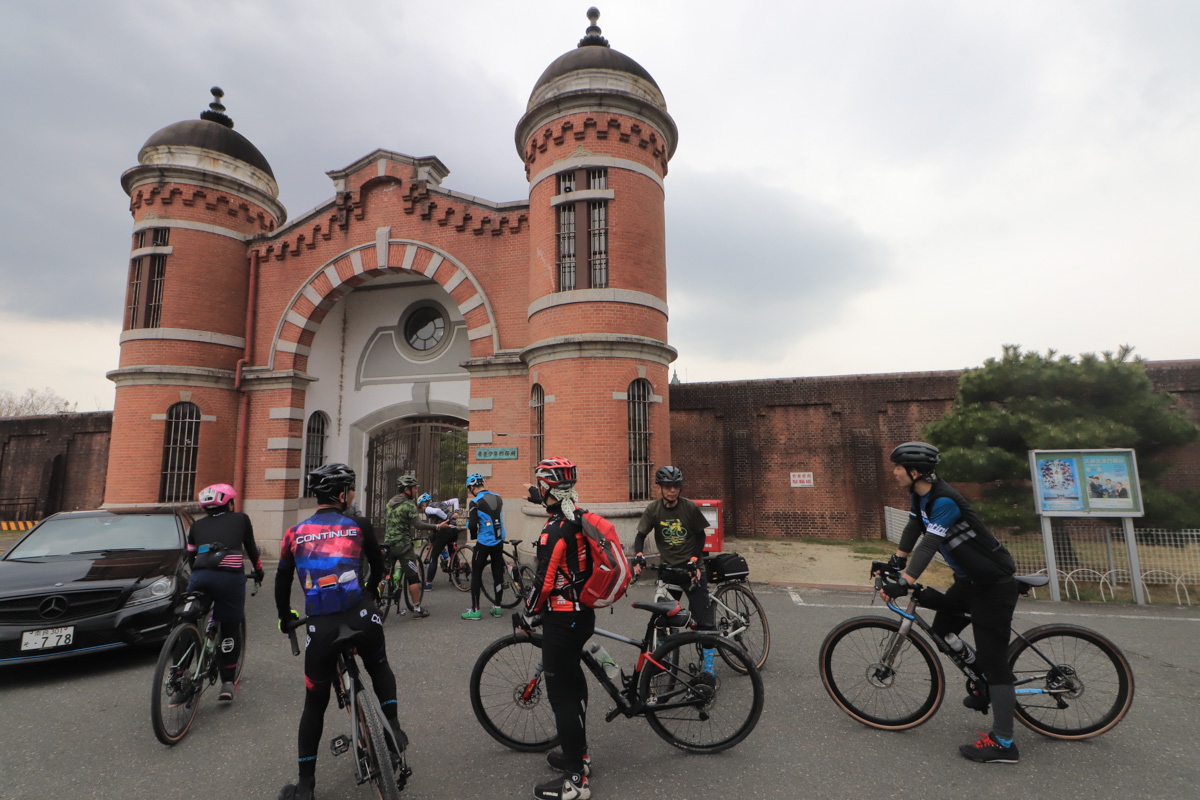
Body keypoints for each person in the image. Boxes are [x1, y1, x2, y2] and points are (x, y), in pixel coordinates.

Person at [882, 441, 1021, 764]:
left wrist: (907, 581)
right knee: (943, 629)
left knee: (994, 659)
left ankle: (1004, 742)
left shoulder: (944, 501)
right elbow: (915, 524)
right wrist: (897, 560)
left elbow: (931, 541)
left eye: (898, 468)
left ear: (914, 472)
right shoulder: (921, 494)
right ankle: (982, 681)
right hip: (968, 582)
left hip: (992, 585)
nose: (894, 472)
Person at [276, 463, 407, 800]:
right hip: (362, 616)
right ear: (339, 494)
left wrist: (285, 616)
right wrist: (373, 589)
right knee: (378, 665)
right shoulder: (358, 525)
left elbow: (281, 583)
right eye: (349, 489)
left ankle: (306, 784)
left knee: (314, 704)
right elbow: (377, 566)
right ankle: (392, 725)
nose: (351, 495)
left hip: (320, 627)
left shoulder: (293, 533)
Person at [519, 457, 592, 800]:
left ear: (548, 487)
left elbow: (544, 581)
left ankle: (575, 781)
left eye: (541, 486)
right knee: (574, 685)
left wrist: (527, 612)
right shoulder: (576, 516)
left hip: (562, 619)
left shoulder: (553, 531)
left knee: (561, 698)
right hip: (583, 613)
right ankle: (580, 755)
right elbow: (559, 506)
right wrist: (541, 497)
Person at [631, 465, 717, 674]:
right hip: (669, 570)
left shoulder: (688, 508)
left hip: (691, 570)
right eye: (668, 486)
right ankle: (663, 659)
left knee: (705, 624)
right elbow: (640, 536)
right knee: (662, 619)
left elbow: (701, 536)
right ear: (660, 487)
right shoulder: (654, 509)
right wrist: (639, 556)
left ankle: (709, 668)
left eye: (676, 486)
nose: (673, 490)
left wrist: (695, 560)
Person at [186, 483, 263, 702]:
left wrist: (199, 577)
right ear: (229, 503)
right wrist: (258, 570)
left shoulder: (196, 526)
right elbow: (250, 547)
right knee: (230, 625)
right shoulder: (241, 519)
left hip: (200, 576)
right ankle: (227, 681)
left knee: (189, 618)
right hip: (229, 578)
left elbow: (191, 557)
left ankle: (178, 670)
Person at [385, 475, 448, 618]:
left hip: (388, 544)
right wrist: (437, 526)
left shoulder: (389, 503)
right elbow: (418, 524)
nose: (415, 491)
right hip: (403, 546)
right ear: (406, 490)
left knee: (384, 575)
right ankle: (417, 609)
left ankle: (376, 605)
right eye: (414, 488)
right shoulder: (408, 505)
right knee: (413, 576)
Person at [462, 473, 507, 620]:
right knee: (497, 573)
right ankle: (498, 607)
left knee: (476, 574)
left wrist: (470, 527)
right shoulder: (498, 497)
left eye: (470, 488)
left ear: (473, 487)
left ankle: (475, 610)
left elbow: (473, 525)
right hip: (498, 541)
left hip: (484, 543)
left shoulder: (475, 502)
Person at [421, 493, 461, 589]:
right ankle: (456, 578)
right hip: (454, 529)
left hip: (444, 531)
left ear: (423, 504)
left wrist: (446, 518)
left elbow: (438, 511)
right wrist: (455, 512)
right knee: (453, 553)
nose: (422, 509)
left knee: (433, 557)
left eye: (420, 507)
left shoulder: (427, 508)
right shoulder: (442, 503)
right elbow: (455, 499)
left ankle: (428, 583)